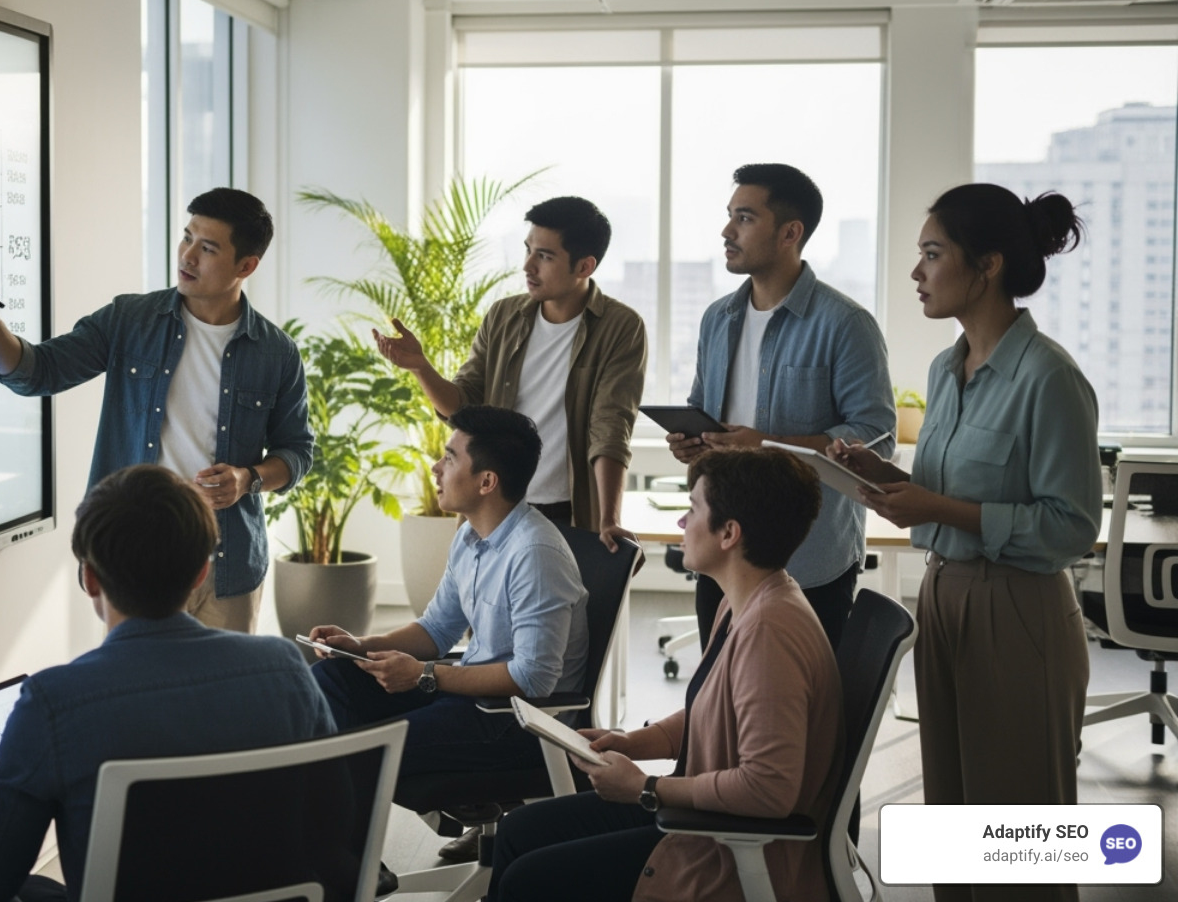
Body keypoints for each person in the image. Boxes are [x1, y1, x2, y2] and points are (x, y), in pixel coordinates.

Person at [829, 184, 1099, 902]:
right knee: (953, 817)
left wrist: (939, 504)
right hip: (943, 596)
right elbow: (946, 492)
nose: (917, 272)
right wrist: (880, 474)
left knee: (1014, 832)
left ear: (986, 265)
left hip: (1018, 611)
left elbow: (1072, 527)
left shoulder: (1049, 377)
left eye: (931, 254)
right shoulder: (949, 373)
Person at [0, 465, 336, 902]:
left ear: (90, 578)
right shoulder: (285, 669)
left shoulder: (53, 703)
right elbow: (335, 826)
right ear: (201, 573)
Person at [0, 188, 312, 633]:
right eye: (187, 237)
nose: (188, 255)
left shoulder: (276, 353)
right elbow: (38, 372)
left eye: (208, 247)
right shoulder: (130, 320)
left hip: (228, 562)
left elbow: (296, 453)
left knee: (219, 700)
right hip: (139, 554)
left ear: (246, 266)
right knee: (140, 693)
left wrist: (247, 479)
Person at [487, 447, 841, 902]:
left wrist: (646, 787)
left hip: (727, 845)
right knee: (517, 830)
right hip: (704, 816)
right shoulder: (746, 600)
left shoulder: (770, 631)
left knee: (528, 880)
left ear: (729, 533)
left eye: (693, 510)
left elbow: (768, 788)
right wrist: (635, 743)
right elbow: (709, 712)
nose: (682, 523)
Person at [669, 163, 894, 649]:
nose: (727, 231)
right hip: (722, 552)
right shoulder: (717, 318)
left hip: (810, 558)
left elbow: (876, 434)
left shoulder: (846, 323)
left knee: (802, 712)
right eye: (730, 216)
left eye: (745, 218)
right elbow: (700, 403)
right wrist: (694, 441)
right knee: (716, 700)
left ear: (791, 232)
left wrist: (766, 445)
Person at [306, 405, 588, 776]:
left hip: (519, 721)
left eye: (450, 459)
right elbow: (437, 630)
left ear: (486, 482)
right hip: (471, 696)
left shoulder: (535, 555)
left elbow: (533, 679)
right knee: (331, 680)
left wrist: (425, 675)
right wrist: (361, 645)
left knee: (375, 747)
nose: (436, 468)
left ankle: (341, 811)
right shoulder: (470, 536)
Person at [374, 196, 646, 549]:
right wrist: (420, 368)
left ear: (584, 267)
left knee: (566, 605)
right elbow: (464, 410)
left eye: (545, 257)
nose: (528, 266)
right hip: (495, 507)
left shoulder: (620, 327)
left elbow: (611, 425)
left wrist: (610, 518)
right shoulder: (503, 316)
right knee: (479, 604)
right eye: (528, 250)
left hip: (570, 512)